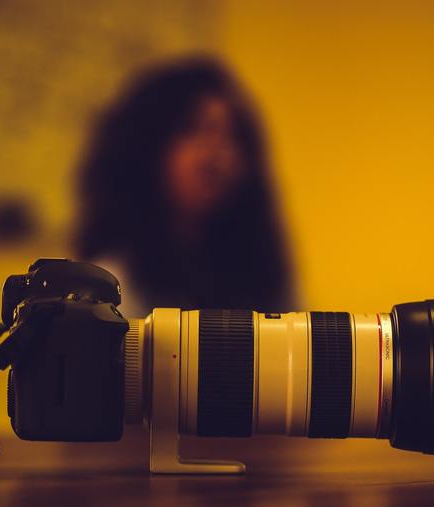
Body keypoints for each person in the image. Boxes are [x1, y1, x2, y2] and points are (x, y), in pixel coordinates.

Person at [76, 57, 295, 317]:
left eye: (232, 134)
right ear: (145, 147)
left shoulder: (266, 276)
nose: (216, 152)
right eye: (192, 129)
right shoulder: (111, 285)